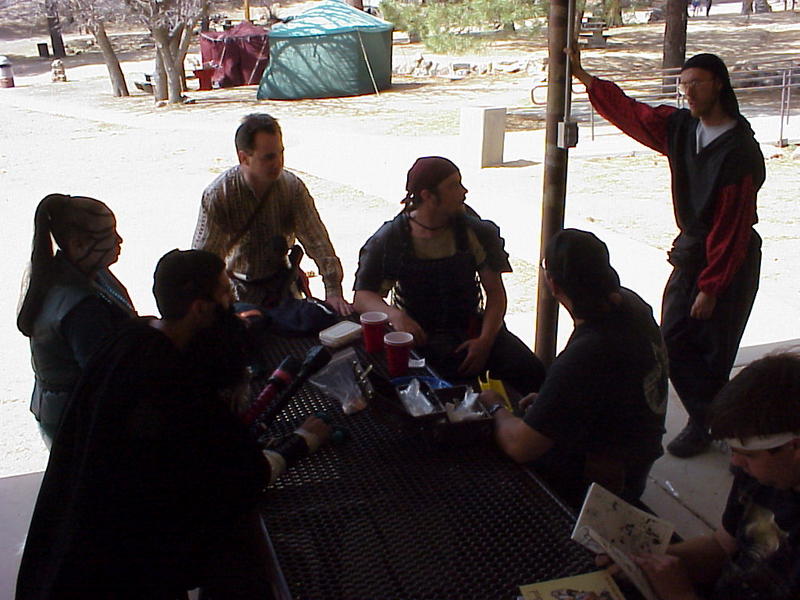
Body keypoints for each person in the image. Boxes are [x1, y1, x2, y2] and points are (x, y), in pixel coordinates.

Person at [16, 249, 331, 599]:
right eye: (225, 292)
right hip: (126, 571)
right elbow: (242, 477)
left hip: (77, 547)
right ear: (200, 308)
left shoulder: (129, 338)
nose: (232, 302)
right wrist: (302, 440)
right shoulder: (174, 383)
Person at [568, 49, 765, 458]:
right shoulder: (681, 128)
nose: (688, 92)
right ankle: (718, 420)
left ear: (719, 85)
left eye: (697, 83)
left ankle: (714, 425)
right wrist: (588, 80)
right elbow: (634, 114)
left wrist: (711, 288)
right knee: (672, 340)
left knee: (714, 350)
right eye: (683, 84)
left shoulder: (739, 151)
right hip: (692, 254)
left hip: (730, 260)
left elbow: (732, 226)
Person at [479, 229, 668, 508]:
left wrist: (495, 406)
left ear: (553, 284)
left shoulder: (588, 352)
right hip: (637, 458)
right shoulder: (632, 305)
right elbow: (607, 384)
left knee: (492, 451)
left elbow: (520, 446)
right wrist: (555, 404)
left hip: (603, 483)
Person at [353, 156, 545, 395]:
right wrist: (395, 315)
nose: (464, 191)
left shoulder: (475, 231)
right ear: (427, 195)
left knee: (534, 374)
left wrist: (485, 341)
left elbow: (495, 294)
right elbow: (362, 296)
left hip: (472, 329)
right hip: (419, 338)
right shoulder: (392, 238)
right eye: (453, 186)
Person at [616, 352, 800, 600]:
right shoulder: (760, 476)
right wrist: (642, 563)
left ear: (794, 448)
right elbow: (722, 546)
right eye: (733, 451)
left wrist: (679, 594)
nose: (735, 462)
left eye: (749, 455)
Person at [192, 113, 352, 315]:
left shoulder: (291, 188)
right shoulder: (220, 195)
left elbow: (317, 241)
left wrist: (334, 292)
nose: (278, 163)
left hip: (283, 287)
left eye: (280, 153)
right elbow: (204, 263)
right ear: (244, 158)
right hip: (239, 294)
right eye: (268, 157)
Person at [16, 193, 137, 446]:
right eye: (108, 235)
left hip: (62, 410)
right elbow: (103, 375)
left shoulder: (70, 273)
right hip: (77, 420)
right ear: (79, 244)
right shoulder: (82, 307)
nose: (119, 240)